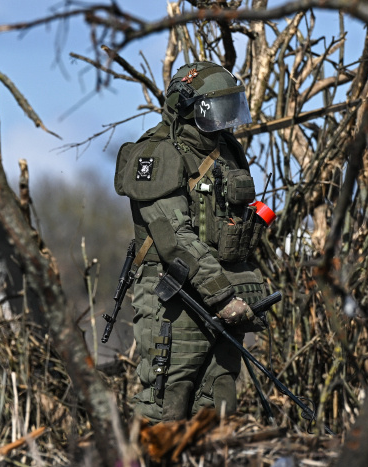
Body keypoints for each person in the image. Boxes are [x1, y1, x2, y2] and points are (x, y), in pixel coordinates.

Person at [114, 61, 268, 422]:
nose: (226, 119)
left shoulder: (227, 149)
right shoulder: (157, 153)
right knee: (165, 408)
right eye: (218, 108)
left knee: (218, 408)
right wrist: (223, 295)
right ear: (187, 108)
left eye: (232, 108)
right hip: (175, 299)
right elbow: (174, 239)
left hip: (224, 296)